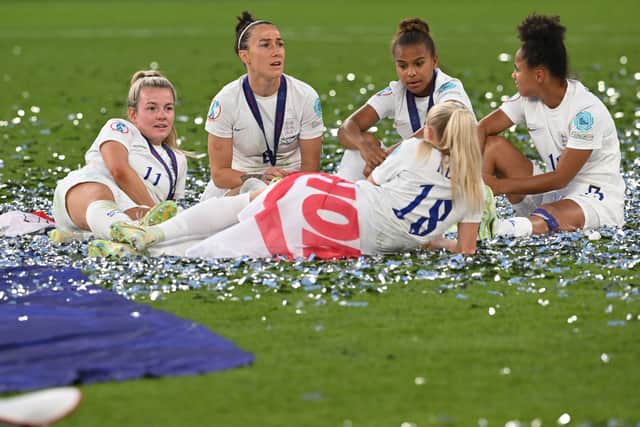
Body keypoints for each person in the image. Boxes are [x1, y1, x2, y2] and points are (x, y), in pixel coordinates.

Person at [101, 102, 485, 258]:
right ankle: (151, 250)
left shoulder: (416, 150)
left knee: (241, 209)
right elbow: (465, 250)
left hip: (335, 201)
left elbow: (379, 187)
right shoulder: (474, 192)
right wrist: (427, 239)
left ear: (431, 133)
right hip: (353, 235)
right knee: (237, 246)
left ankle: (152, 237)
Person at [478, 14, 625, 237]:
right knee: (493, 146)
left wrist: (500, 186)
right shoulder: (528, 98)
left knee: (549, 213)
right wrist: (472, 178)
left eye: (518, 69)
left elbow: (561, 178)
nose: (514, 75)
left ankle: (494, 230)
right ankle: (474, 213)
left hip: (593, 198)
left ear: (539, 75)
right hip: (552, 194)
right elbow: (481, 129)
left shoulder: (586, 114)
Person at [51, 70, 188, 244]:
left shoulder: (178, 161)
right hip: (83, 200)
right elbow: (119, 170)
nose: (162, 115)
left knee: (159, 215)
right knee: (100, 191)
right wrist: (154, 213)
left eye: (168, 108)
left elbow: (170, 208)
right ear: (133, 115)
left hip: (129, 214)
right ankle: (125, 232)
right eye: (152, 108)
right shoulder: (120, 128)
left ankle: (106, 238)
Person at [200, 11, 324, 200]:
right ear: (245, 56)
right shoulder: (225, 101)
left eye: (279, 44)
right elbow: (220, 175)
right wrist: (259, 179)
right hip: (239, 181)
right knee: (248, 197)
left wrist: (281, 182)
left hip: (292, 181)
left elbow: (311, 168)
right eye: (265, 45)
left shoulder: (305, 96)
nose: (276, 51)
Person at [336, 17, 474, 181]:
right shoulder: (396, 92)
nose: (411, 73)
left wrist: (390, 156)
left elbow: (443, 126)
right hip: (417, 168)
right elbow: (347, 128)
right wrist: (365, 148)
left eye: (419, 63)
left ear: (434, 61)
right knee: (361, 144)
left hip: (454, 173)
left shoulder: (449, 87)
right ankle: (344, 199)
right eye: (403, 66)